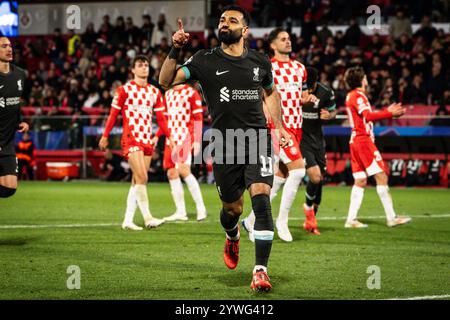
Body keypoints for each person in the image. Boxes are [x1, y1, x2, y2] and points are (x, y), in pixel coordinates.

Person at [159, 5, 290, 292]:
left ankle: (260, 271)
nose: (224, 23)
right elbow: (165, 81)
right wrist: (174, 50)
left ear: (244, 31)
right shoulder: (204, 60)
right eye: (221, 19)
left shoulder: (259, 61)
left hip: (258, 139)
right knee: (232, 209)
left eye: (232, 20)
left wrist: (277, 127)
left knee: (261, 198)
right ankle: (232, 236)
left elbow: (270, 92)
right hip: (224, 142)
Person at [242, 28, 317, 242]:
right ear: (273, 45)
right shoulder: (268, 66)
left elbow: (299, 95)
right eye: (283, 39)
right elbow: (260, 96)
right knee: (298, 170)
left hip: (297, 127)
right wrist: (272, 121)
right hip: (278, 128)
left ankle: (250, 220)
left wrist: (306, 99)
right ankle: (282, 221)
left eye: (289, 39)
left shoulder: (300, 68)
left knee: (277, 178)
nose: (288, 42)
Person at [99, 55, 170, 231]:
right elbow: (113, 115)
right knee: (143, 177)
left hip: (147, 140)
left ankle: (127, 220)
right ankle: (148, 218)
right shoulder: (124, 90)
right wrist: (105, 135)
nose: (144, 67)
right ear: (133, 70)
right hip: (131, 138)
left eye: (146, 65)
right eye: (140, 65)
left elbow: (161, 119)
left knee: (137, 180)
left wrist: (170, 136)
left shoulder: (154, 92)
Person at [344, 66, 411, 228]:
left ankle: (351, 220)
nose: (366, 80)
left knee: (360, 180)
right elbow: (368, 115)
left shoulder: (350, 96)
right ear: (361, 80)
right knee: (382, 177)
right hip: (363, 141)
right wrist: (389, 112)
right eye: (365, 77)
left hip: (355, 141)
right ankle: (392, 217)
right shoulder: (359, 95)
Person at [155, 82, 207, 222]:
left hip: (186, 137)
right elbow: (165, 120)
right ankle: (180, 211)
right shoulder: (168, 94)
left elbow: (198, 118)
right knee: (171, 173)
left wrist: (197, 140)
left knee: (184, 170)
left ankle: (201, 208)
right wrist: (157, 135)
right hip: (170, 140)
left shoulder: (191, 93)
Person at [300, 67, 337, 235]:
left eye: (311, 86)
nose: (308, 89)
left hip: (318, 141)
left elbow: (334, 110)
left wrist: (330, 115)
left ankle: (311, 220)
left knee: (319, 181)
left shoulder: (326, 92)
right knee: (314, 176)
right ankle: (307, 211)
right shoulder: (296, 90)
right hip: (301, 140)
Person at [0, 36, 29, 198]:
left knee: (9, 188)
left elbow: (15, 101)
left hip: (7, 142)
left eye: (10, 46)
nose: (9, 49)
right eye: (4, 46)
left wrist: (20, 121)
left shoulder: (20, 74)